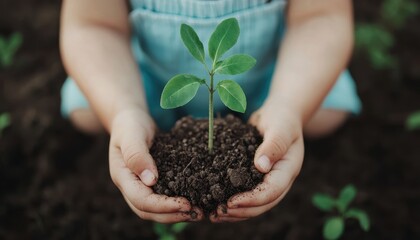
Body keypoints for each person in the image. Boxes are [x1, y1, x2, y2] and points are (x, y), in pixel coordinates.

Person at [60, 0, 361, 223]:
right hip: (148, 78)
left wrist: (290, 105)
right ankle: (141, 113)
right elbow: (93, 25)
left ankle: (271, 114)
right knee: (88, 112)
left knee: (324, 115)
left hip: (276, 73)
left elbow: (321, 16)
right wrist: (123, 110)